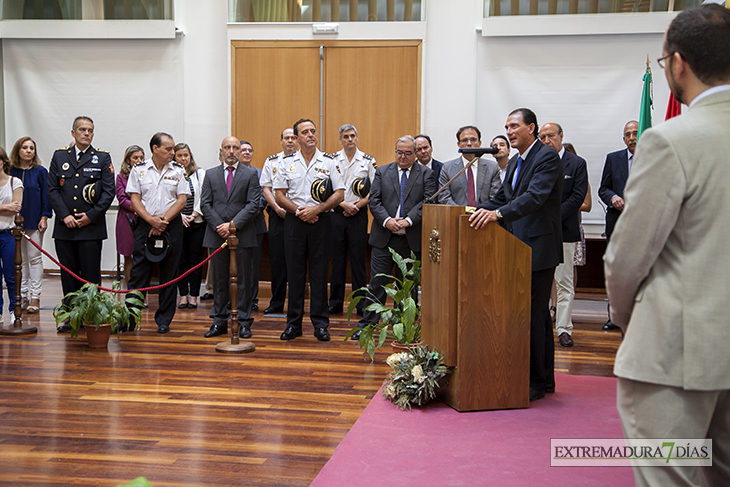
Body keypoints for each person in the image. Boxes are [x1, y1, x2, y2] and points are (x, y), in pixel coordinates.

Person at [605, 5, 730, 485]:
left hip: (676, 354)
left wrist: (633, 320)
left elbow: (625, 260)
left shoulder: (671, 141)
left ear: (678, 63)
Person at [469, 108, 562, 402]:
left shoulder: (545, 157)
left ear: (531, 128)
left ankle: (536, 382)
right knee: (535, 317)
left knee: (534, 317)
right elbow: (504, 197)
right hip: (519, 248)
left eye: (514, 126)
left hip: (538, 248)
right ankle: (544, 379)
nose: (508, 132)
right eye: (506, 127)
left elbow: (533, 198)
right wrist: (473, 210)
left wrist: (497, 214)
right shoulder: (518, 161)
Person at [354, 135, 436, 340]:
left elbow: (428, 202)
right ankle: (367, 326)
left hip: (411, 239)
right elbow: (374, 201)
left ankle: (404, 329)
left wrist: (408, 220)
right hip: (384, 238)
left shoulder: (426, 174)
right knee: (377, 284)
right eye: (399, 152)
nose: (403, 156)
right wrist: (387, 220)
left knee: (406, 287)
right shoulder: (382, 171)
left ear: (416, 153)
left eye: (408, 153)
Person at [274, 118, 344, 342]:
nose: (311, 135)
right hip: (294, 222)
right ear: (296, 138)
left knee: (319, 274)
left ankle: (320, 324)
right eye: (305, 132)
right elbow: (279, 195)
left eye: (313, 131)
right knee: (294, 275)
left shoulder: (329, 162)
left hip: (321, 222)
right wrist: (299, 212)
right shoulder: (285, 163)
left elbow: (339, 193)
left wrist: (316, 210)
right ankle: (293, 324)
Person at [48, 116, 115, 333]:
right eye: (82, 130)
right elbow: (53, 190)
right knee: (67, 275)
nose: (87, 133)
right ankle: (69, 317)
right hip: (64, 227)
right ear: (73, 133)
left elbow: (108, 192)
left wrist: (91, 215)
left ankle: (90, 315)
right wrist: (65, 215)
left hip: (90, 227)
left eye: (90, 130)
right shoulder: (59, 157)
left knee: (90, 275)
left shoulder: (102, 158)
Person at [125, 132, 189, 334]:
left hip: (171, 225)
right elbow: (134, 199)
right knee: (138, 275)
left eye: (173, 149)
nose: (173, 152)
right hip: (145, 225)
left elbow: (182, 200)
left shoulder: (178, 170)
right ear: (155, 149)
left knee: (169, 274)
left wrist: (163, 221)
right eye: (168, 149)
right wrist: (151, 220)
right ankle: (129, 318)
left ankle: (163, 320)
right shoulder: (139, 170)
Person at [200, 136, 263, 338]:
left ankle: (244, 322)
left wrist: (233, 226)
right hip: (216, 233)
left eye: (235, 147)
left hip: (242, 234)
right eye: (227, 147)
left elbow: (253, 204)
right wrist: (220, 226)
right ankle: (219, 321)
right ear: (221, 151)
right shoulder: (210, 174)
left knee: (243, 280)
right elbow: (205, 204)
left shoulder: (251, 174)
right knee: (219, 281)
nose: (231, 151)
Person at [539, 123, 587, 348]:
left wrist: (553, 218)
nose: (547, 140)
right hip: (539, 231)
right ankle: (540, 327)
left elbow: (578, 197)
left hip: (564, 231)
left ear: (560, 136)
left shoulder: (577, 163)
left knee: (565, 282)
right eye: (542, 137)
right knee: (541, 281)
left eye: (550, 136)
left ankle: (564, 329)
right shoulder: (535, 162)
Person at [328, 124, 376, 316]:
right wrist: (342, 204)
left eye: (353, 136)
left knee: (358, 261)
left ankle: (361, 304)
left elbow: (374, 191)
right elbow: (327, 188)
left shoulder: (368, 160)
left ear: (357, 138)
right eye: (346, 136)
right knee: (337, 260)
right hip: (336, 215)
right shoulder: (331, 160)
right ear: (340, 139)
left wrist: (357, 206)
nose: (350, 139)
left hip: (358, 214)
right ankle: (335, 303)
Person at [598, 120, 638, 331]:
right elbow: (603, 188)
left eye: (636, 133)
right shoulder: (613, 159)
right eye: (628, 134)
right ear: (624, 139)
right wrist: (612, 197)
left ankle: (640, 316)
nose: (632, 138)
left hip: (644, 224)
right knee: (616, 271)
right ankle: (615, 317)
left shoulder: (655, 157)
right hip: (618, 223)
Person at [9, 137, 52, 314]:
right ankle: (23, 295)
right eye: (25, 147)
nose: (29, 151)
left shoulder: (40, 171)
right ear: (17, 150)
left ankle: (35, 296)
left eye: (32, 148)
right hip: (13, 222)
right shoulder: (10, 171)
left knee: (34, 258)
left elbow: (46, 197)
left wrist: (44, 217)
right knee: (20, 260)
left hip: (35, 220)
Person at [260, 128, 298, 315]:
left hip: (299, 216)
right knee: (277, 260)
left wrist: (292, 209)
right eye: (286, 138)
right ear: (281, 140)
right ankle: (276, 303)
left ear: (297, 140)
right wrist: (277, 208)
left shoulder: (304, 160)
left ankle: (297, 305)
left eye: (293, 138)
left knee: (298, 260)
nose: (290, 141)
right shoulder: (272, 160)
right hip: (277, 215)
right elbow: (266, 188)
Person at [174, 143, 206, 310]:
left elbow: (204, 196)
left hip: (197, 223)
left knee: (195, 261)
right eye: (179, 155)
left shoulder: (199, 173)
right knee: (180, 261)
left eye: (186, 155)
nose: (183, 158)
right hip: (178, 223)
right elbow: (170, 198)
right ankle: (183, 296)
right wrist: (179, 216)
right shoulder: (171, 174)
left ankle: (194, 296)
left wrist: (194, 214)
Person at [438, 125, 501, 206]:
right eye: (464, 140)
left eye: (473, 140)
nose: (469, 143)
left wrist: (479, 213)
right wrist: (462, 212)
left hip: (484, 216)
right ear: (459, 144)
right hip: (457, 216)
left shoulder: (492, 167)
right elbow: (444, 198)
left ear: (479, 143)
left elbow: (495, 197)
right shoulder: (447, 167)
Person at [239, 140, 266, 312]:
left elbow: (263, 199)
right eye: (243, 150)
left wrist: (245, 216)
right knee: (234, 265)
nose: (247, 153)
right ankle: (233, 298)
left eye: (250, 150)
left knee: (252, 265)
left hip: (255, 225)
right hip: (234, 227)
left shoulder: (260, 174)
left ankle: (252, 299)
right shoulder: (231, 174)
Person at [115, 145, 144, 288]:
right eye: (135, 158)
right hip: (127, 218)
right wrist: (138, 207)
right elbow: (122, 199)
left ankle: (141, 291)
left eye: (141, 157)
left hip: (144, 218)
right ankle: (130, 291)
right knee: (129, 256)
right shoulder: (121, 177)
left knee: (143, 256)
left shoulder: (147, 174)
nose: (138, 160)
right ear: (128, 160)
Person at [0, 148, 23, 322]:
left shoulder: (14, 182)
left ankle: (14, 311)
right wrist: (4, 207)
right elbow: (9, 207)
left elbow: (16, 208)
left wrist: (9, 208)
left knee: (11, 275)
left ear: (3, 161)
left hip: (8, 234)